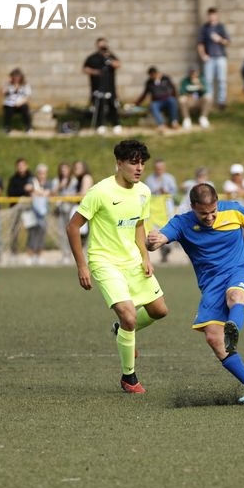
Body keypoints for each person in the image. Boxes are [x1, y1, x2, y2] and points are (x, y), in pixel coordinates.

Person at [146, 184, 244, 403]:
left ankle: (233, 330)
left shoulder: (234, 210)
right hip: (210, 285)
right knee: (213, 337)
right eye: (203, 213)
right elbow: (160, 240)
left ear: (218, 203)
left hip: (238, 269)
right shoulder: (182, 223)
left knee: (235, 296)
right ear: (193, 207)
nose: (210, 217)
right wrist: (153, 241)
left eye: (213, 212)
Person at [66, 140, 168, 393]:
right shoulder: (100, 192)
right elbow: (73, 226)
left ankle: (120, 329)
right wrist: (82, 266)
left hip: (133, 259)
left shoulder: (144, 191)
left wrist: (145, 256)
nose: (139, 167)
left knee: (159, 311)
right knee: (129, 315)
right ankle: (129, 377)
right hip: (104, 261)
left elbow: (138, 225)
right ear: (119, 163)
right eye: (133, 162)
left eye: (142, 162)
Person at [83, 37, 123, 135]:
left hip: (110, 86)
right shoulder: (92, 58)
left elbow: (118, 64)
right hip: (97, 86)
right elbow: (85, 69)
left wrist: (109, 60)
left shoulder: (110, 56)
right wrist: (95, 72)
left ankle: (116, 124)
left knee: (112, 105)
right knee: (99, 105)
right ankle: (100, 125)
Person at [144, 159, 178, 263]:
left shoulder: (170, 178)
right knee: (155, 230)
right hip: (154, 210)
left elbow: (175, 193)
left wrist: (166, 192)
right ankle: (161, 251)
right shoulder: (149, 179)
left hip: (167, 209)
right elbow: (146, 193)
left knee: (168, 228)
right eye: (157, 168)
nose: (159, 170)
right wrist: (156, 191)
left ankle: (167, 248)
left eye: (161, 168)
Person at [196, 7, 230, 110]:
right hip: (209, 58)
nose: (212, 17)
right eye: (210, 15)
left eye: (214, 15)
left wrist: (219, 39)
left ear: (217, 15)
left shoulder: (221, 27)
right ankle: (209, 102)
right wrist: (203, 56)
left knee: (222, 80)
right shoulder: (205, 28)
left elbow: (227, 42)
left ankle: (221, 102)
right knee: (208, 81)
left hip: (221, 57)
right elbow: (200, 44)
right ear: (208, 16)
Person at [134, 67, 180, 133]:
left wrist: (174, 96)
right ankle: (161, 125)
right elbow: (145, 94)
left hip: (167, 99)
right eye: (151, 75)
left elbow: (173, 88)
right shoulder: (149, 82)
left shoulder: (166, 78)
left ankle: (174, 122)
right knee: (153, 105)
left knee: (172, 101)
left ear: (157, 73)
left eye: (154, 74)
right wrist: (137, 102)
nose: (153, 76)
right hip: (157, 101)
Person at [25, 163, 52, 265]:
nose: (42, 175)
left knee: (41, 234)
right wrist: (37, 191)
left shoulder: (48, 183)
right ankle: (30, 255)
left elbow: (48, 192)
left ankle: (39, 255)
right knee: (32, 234)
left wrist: (37, 192)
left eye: (44, 173)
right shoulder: (32, 181)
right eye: (40, 173)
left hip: (44, 213)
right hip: (32, 213)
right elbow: (27, 188)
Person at [6, 158, 33, 259]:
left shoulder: (31, 178)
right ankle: (14, 252)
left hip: (28, 209)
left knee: (31, 229)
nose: (21, 168)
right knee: (14, 230)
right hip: (16, 209)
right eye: (19, 166)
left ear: (26, 166)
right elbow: (10, 192)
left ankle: (30, 252)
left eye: (23, 165)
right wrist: (23, 190)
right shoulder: (13, 179)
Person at [0, 68, 32, 134]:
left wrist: (21, 102)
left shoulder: (25, 85)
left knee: (25, 108)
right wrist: (7, 82)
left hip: (20, 104)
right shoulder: (8, 84)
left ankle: (28, 127)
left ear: (21, 77)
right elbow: (2, 92)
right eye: (14, 76)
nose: (16, 78)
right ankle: (7, 127)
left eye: (18, 76)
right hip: (10, 104)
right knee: (9, 109)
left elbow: (28, 96)